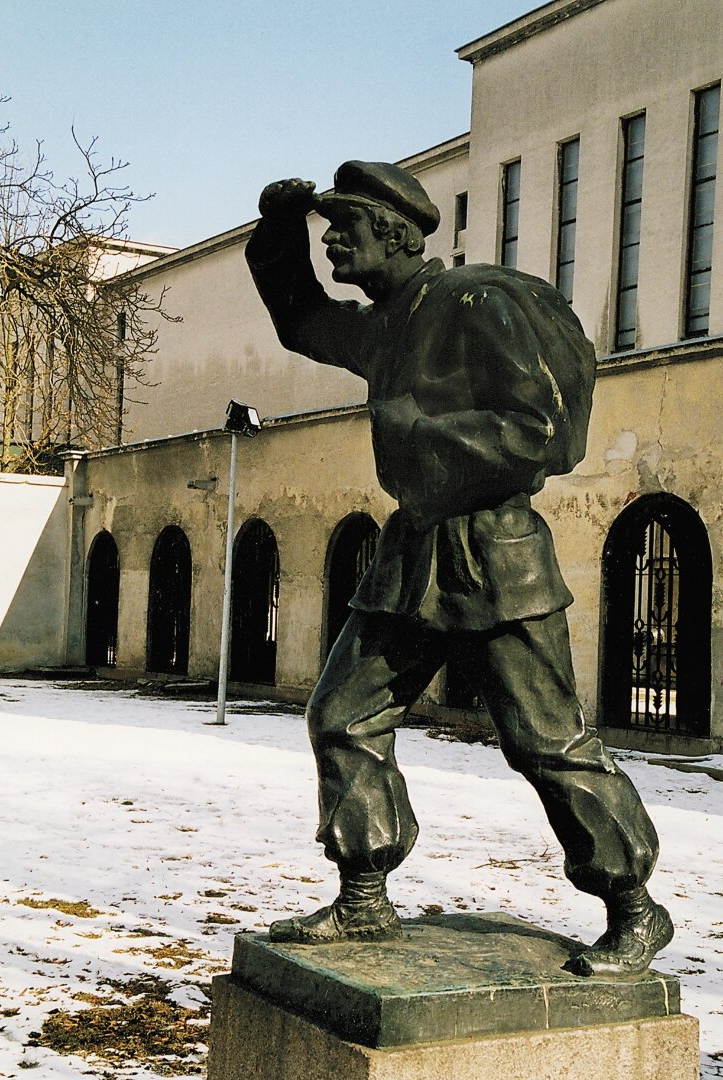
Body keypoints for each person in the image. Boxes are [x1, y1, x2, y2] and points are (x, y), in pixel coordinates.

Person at [245, 160, 673, 976]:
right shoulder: (384, 323)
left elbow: (541, 430)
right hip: (413, 554)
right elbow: (300, 319)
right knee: (342, 715)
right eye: (325, 225)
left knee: (546, 742)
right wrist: (276, 235)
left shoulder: (480, 300)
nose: (332, 238)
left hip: (492, 551)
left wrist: (412, 433)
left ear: (395, 231)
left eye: (347, 225)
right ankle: (363, 899)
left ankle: (633, 908)